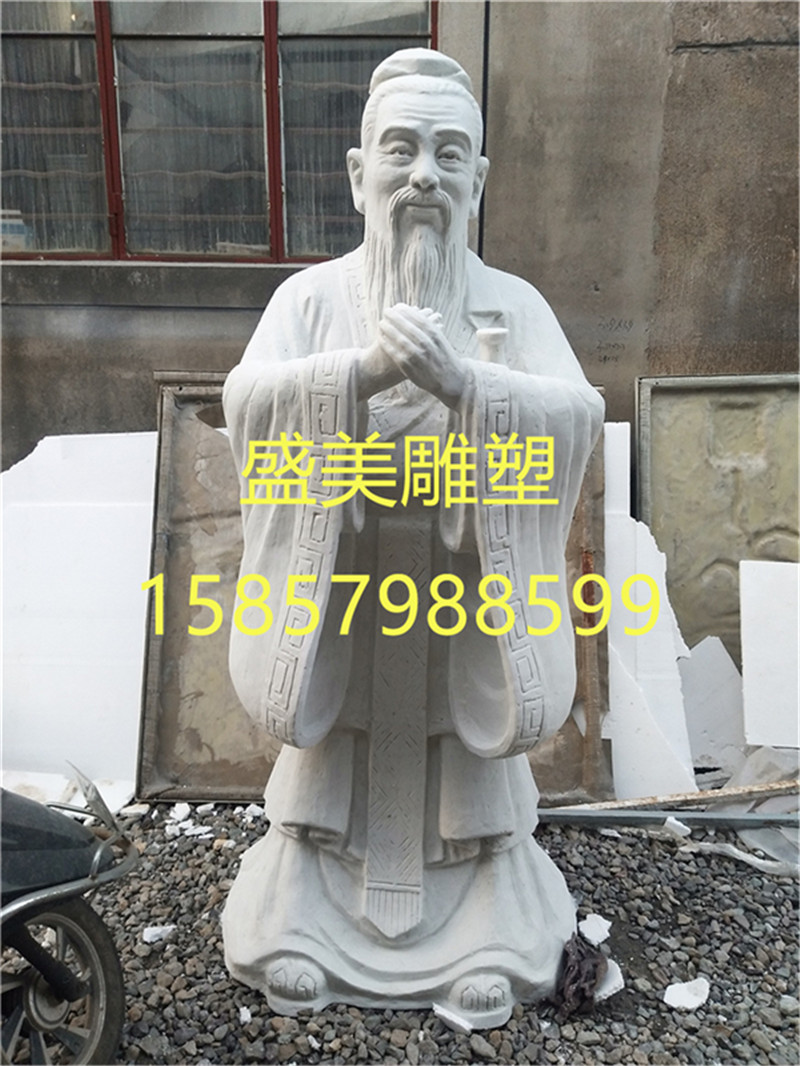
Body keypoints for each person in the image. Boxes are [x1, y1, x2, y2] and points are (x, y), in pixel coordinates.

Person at [222, 48, 604, 1026]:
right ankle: (300, 926)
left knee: (465, 772)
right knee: (332, 765)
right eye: (400, 150)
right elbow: (249, 403)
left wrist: (467, 386)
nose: (423, 175)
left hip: (461, 589)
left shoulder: (513, 304)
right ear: (360, 174)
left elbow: (575, 416)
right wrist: (353, 374)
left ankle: (487, 933)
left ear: (478, 179)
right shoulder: (309, 302)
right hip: (345, 589)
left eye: (449, 154)